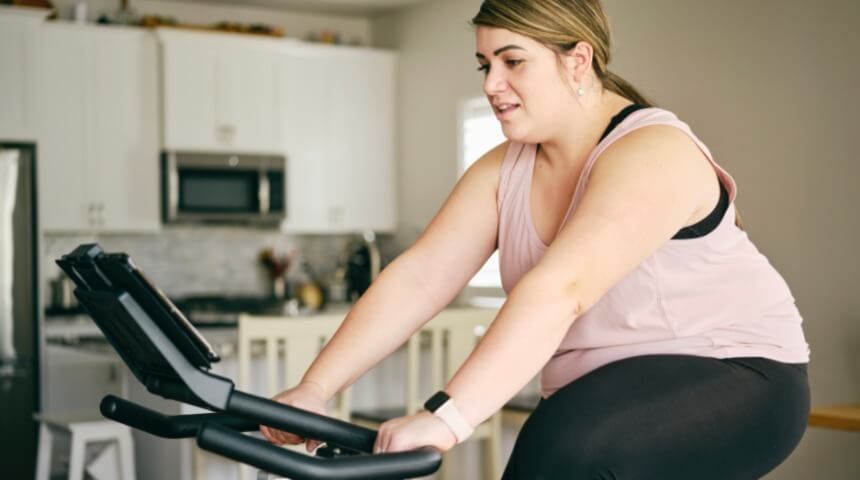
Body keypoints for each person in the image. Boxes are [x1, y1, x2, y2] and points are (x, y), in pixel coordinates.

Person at [261, 0, 811, 478]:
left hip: (739, 375)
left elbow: (560, 289)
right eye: (485, 64)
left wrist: (446, 418)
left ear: (577, 60)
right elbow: (420, 278)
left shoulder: (653, 151)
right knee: (561, 440)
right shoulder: (506, 169)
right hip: (603, 393)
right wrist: (315, 387)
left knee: (565, 448)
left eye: (513, 61)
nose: (490, 84)